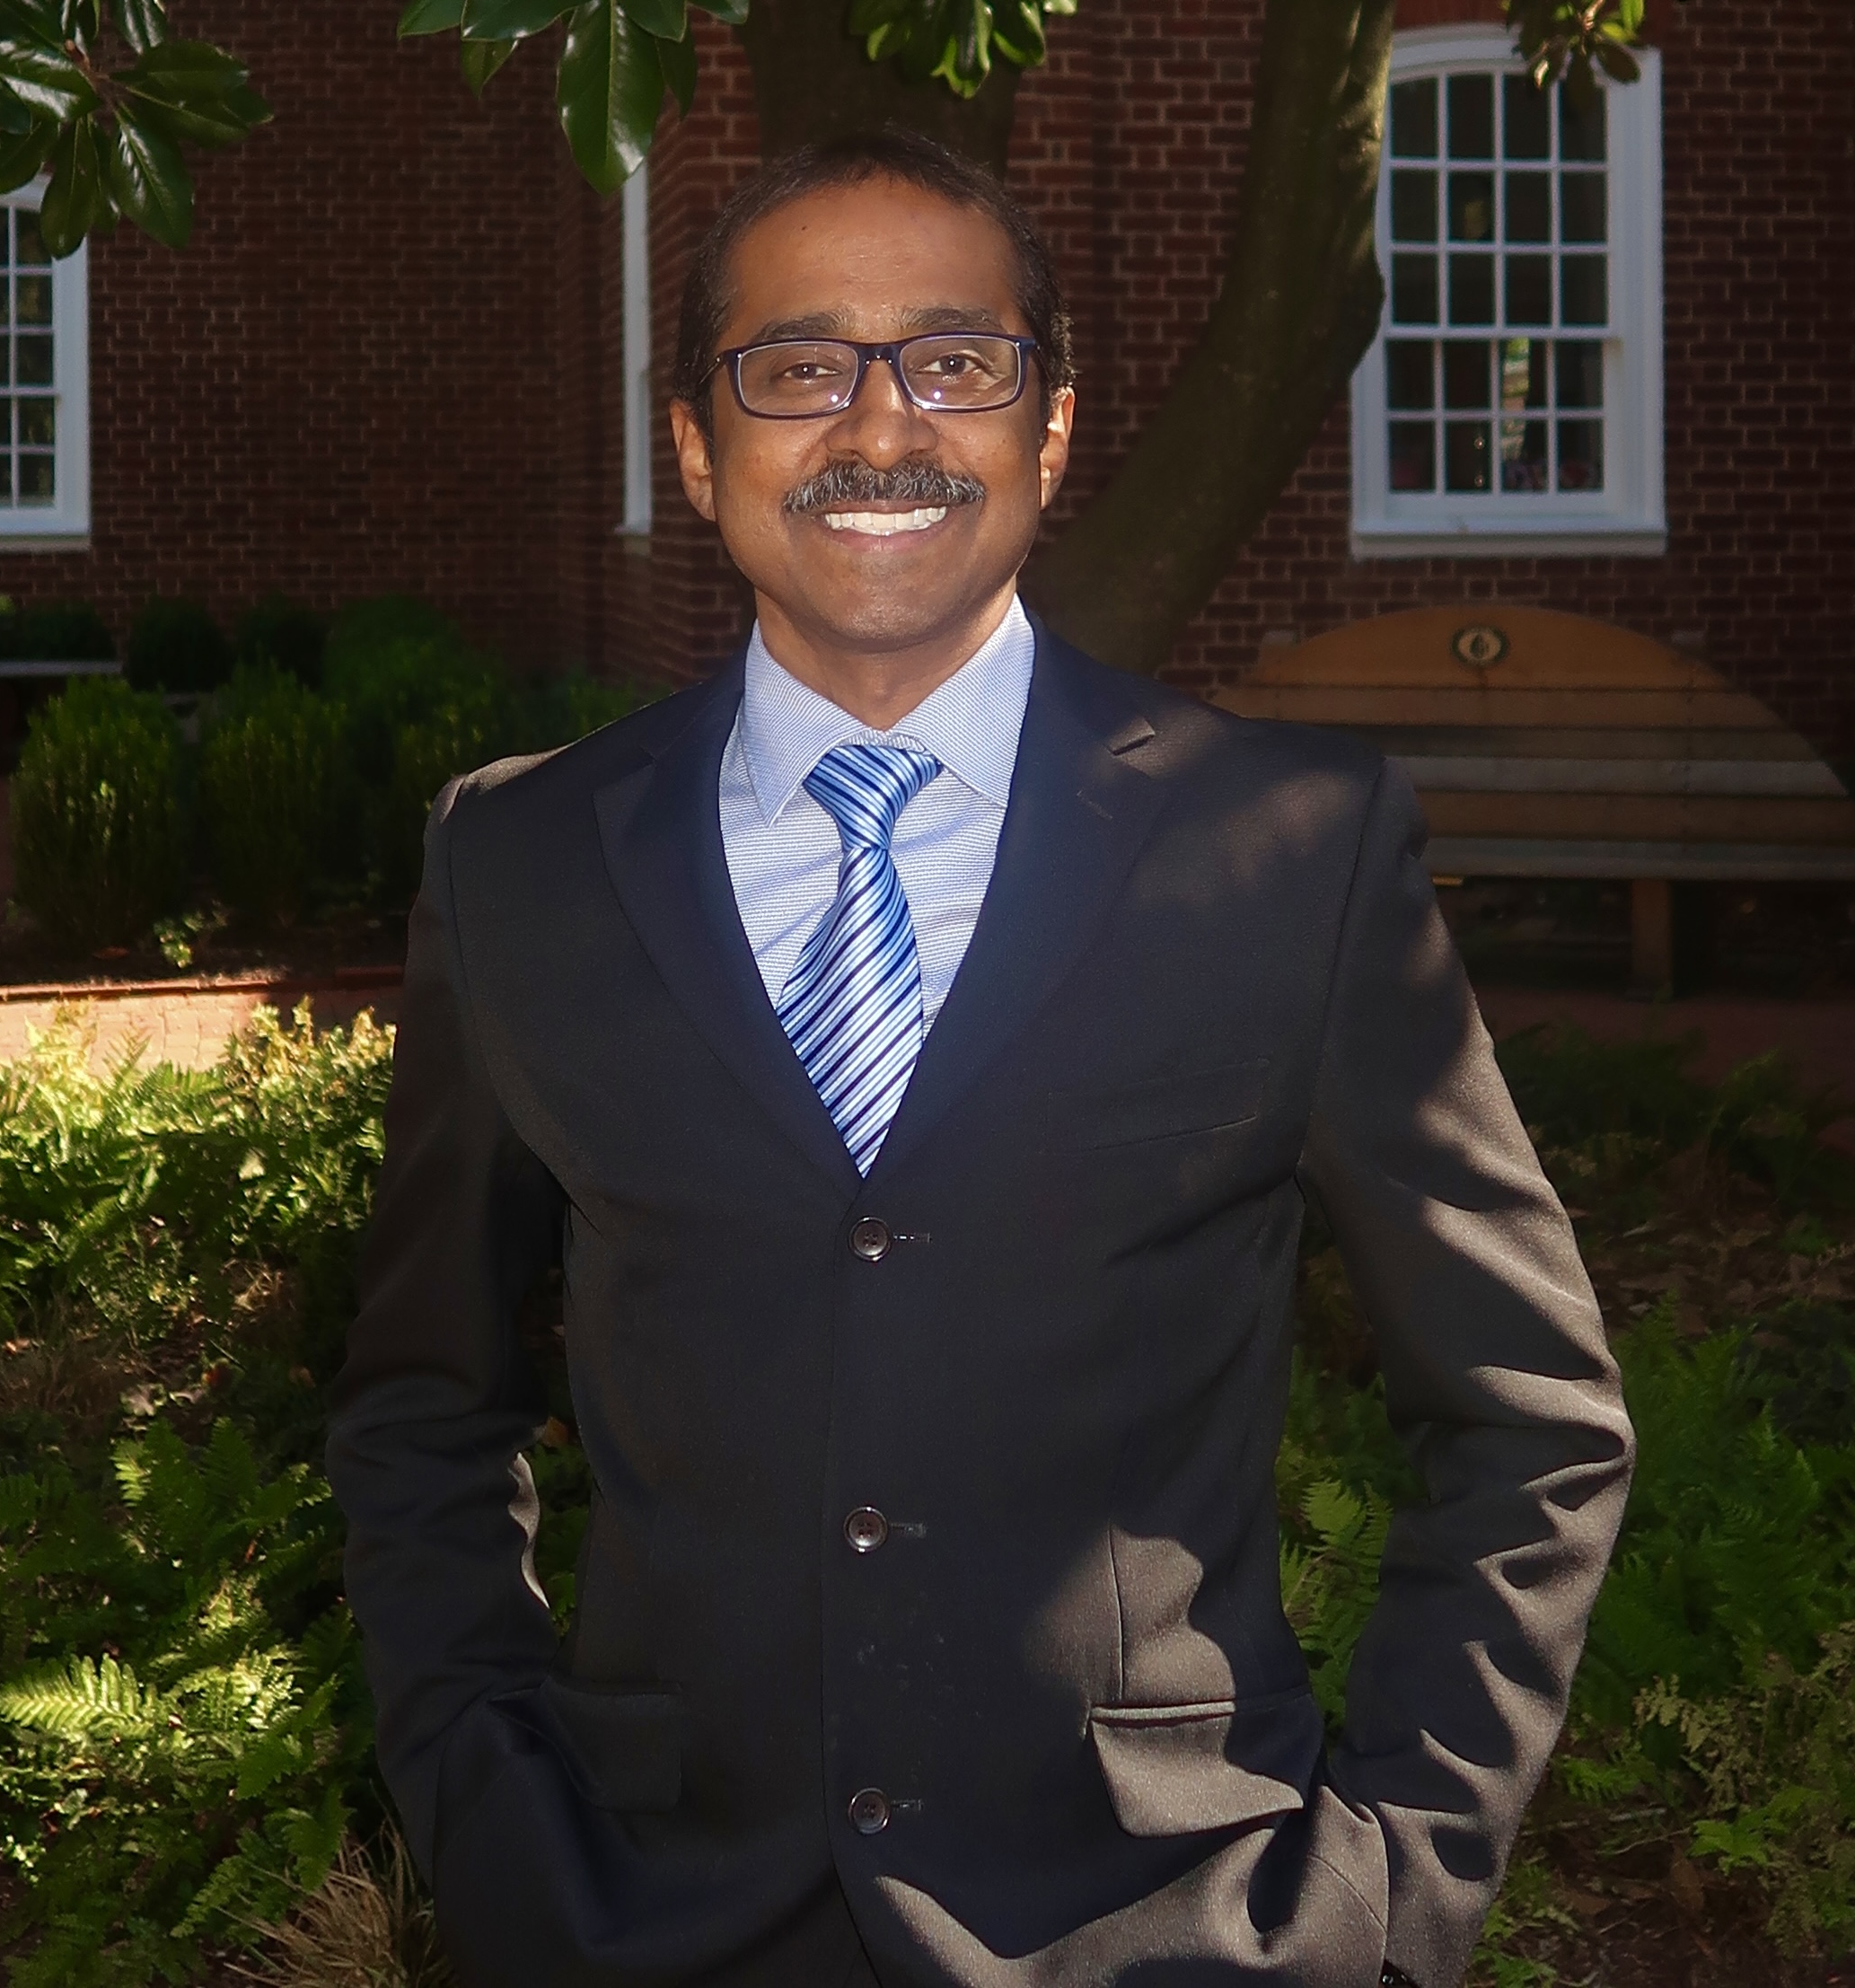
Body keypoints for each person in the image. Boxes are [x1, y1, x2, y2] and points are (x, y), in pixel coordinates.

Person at [327, 131, 1634, 1988]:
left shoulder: (1286, 848)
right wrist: (486, 1810)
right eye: (795, 366)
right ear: (697, 445)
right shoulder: (518, 860)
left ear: (1051, 427)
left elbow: (1528, 1421)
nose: (880, 426)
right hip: (645, 1918)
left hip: (1171, 1928)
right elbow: (422, 1408)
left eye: (956, 361)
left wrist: (1384, 1904)